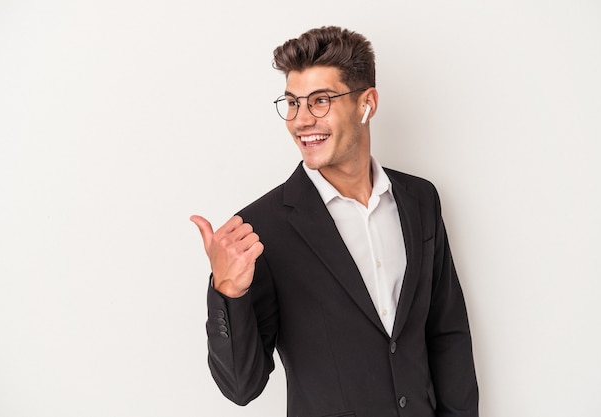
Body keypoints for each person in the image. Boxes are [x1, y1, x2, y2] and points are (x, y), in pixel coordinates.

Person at [190, 26, 479, 417]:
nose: (301, 121)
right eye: (292, 103)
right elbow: (242, 387)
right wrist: (228, 292)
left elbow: (447, 334)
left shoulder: (420, 200)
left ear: (367, 104)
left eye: (320, 101)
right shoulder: (261, 228)